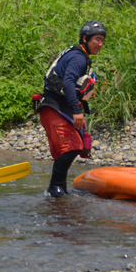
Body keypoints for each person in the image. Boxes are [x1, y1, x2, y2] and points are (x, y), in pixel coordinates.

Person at [38, 20, 106, 198]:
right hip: (54, 108)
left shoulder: (77, 53)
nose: (100, 44)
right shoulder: (78, 57)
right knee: (72, 148)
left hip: (54, 108)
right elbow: (68, 82)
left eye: (102, 40)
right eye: (97, 39)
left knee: (68, 149)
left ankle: (61, 191)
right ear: (85, 38)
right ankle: (54, 189)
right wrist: (77, 111)